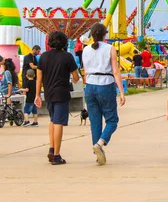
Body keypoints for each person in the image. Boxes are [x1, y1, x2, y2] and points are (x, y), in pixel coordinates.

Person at [82, 23, 126, 166]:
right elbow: (115, 71)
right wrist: (121, 91)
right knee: (112, 120)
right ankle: (100, 144)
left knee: (95, 123)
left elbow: (85, 70)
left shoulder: (86, 50)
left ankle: (97, 155)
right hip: (105, 84)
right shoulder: (109, 49)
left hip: (90, 85)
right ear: (104, 35)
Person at [34, 31, 81, 166]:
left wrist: (37, 95)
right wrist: (75, 78)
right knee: (59, 123)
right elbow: (76, 77)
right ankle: (56, 155)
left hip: (48, 93)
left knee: (52, 120)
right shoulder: (67, 57)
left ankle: (51, 147)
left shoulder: (43, 57)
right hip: (62, 93)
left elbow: (39, 78)